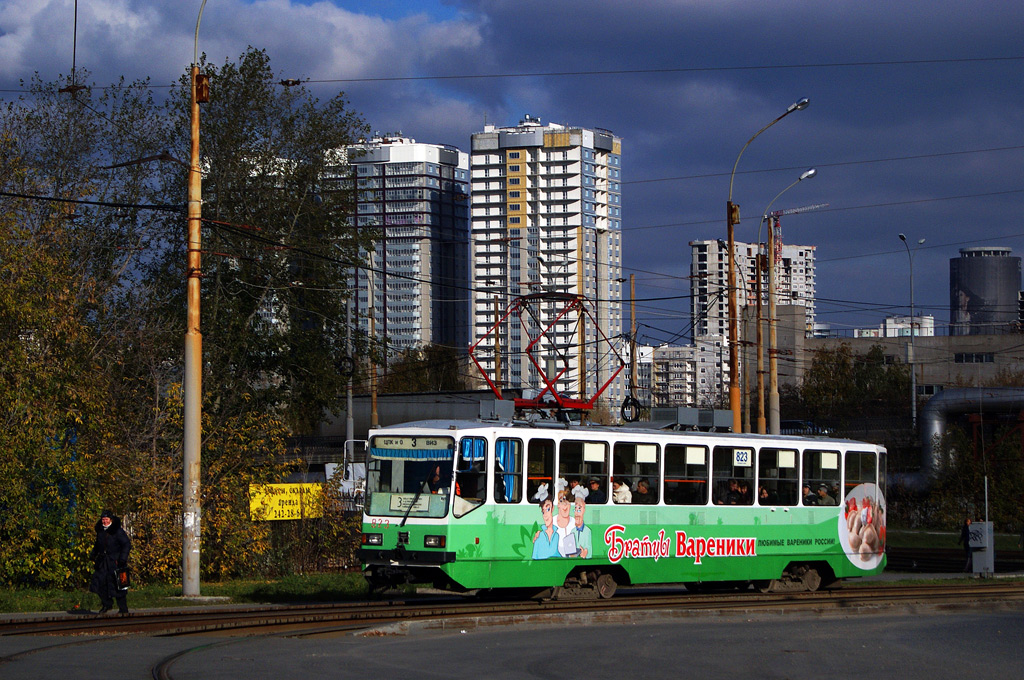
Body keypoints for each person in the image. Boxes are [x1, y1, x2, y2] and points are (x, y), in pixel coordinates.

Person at [89, 510, 131, 616]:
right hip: (104, 562)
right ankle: (107, 604)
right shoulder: (100, 531)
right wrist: (94, 554)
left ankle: (123, 609)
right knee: (98, 582)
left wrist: (122, 559)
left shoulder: (118, 531)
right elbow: (98, 545)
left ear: (111, 520)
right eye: (103, 519)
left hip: (117, 562)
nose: (104, 521)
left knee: (120, 585)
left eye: (106, 519)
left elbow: (126, 545)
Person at [571, 489, 593, 559]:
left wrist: (585, 552)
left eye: (579, 509)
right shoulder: (572, 531)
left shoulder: (587, 531)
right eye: (575, 509)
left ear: (584, 510)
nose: (577, 513)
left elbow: (589, 547)